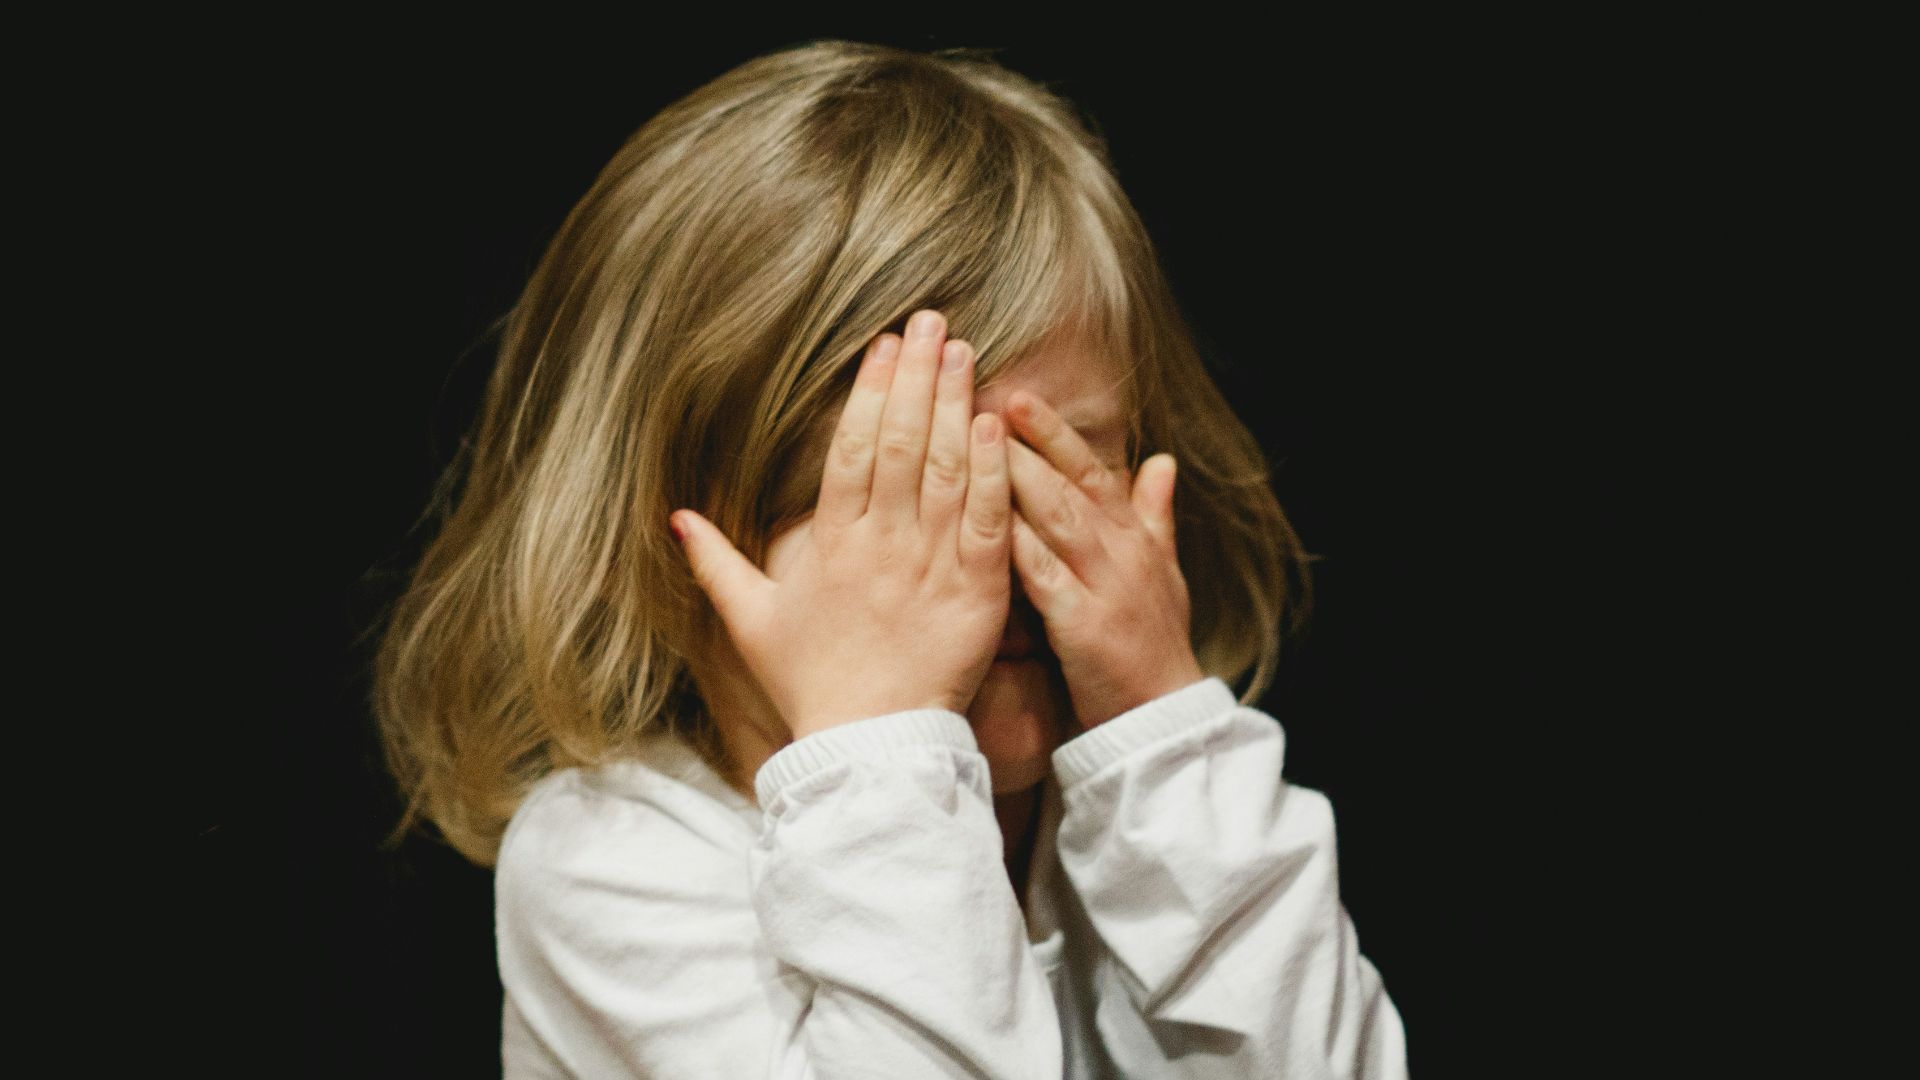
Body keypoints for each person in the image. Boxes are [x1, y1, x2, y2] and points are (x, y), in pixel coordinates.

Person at [371, 39, 1409, 1078]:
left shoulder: (1159, 817)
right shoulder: (611, 862)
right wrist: (882, 751)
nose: (994, 562)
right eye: (909, 497)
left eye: (1059, 477)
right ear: (678, 537)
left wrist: (1168, 741)